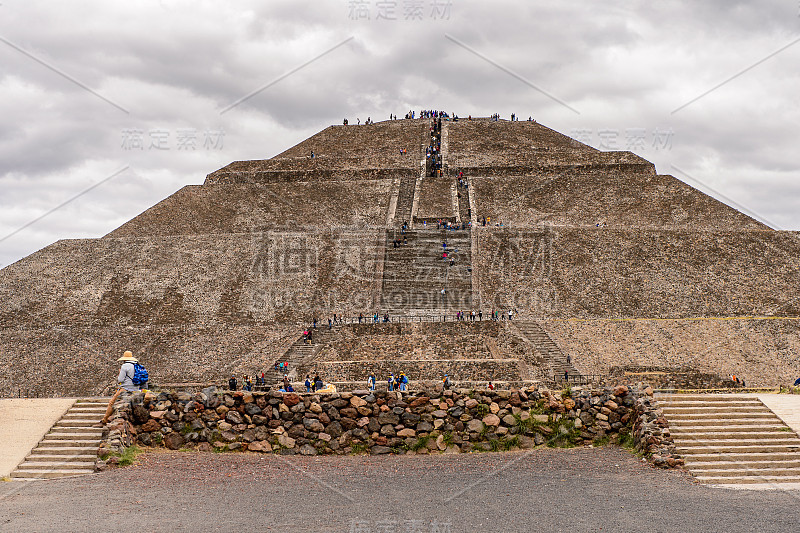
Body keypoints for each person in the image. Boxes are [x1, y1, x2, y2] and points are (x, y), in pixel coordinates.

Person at [98, 351, 146, 425]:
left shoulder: (124, 366)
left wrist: (120, 372)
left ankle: (104, 420)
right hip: (136, 388)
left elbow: (120, 380)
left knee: (111, 403)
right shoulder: (137, 365)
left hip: (126, 388)